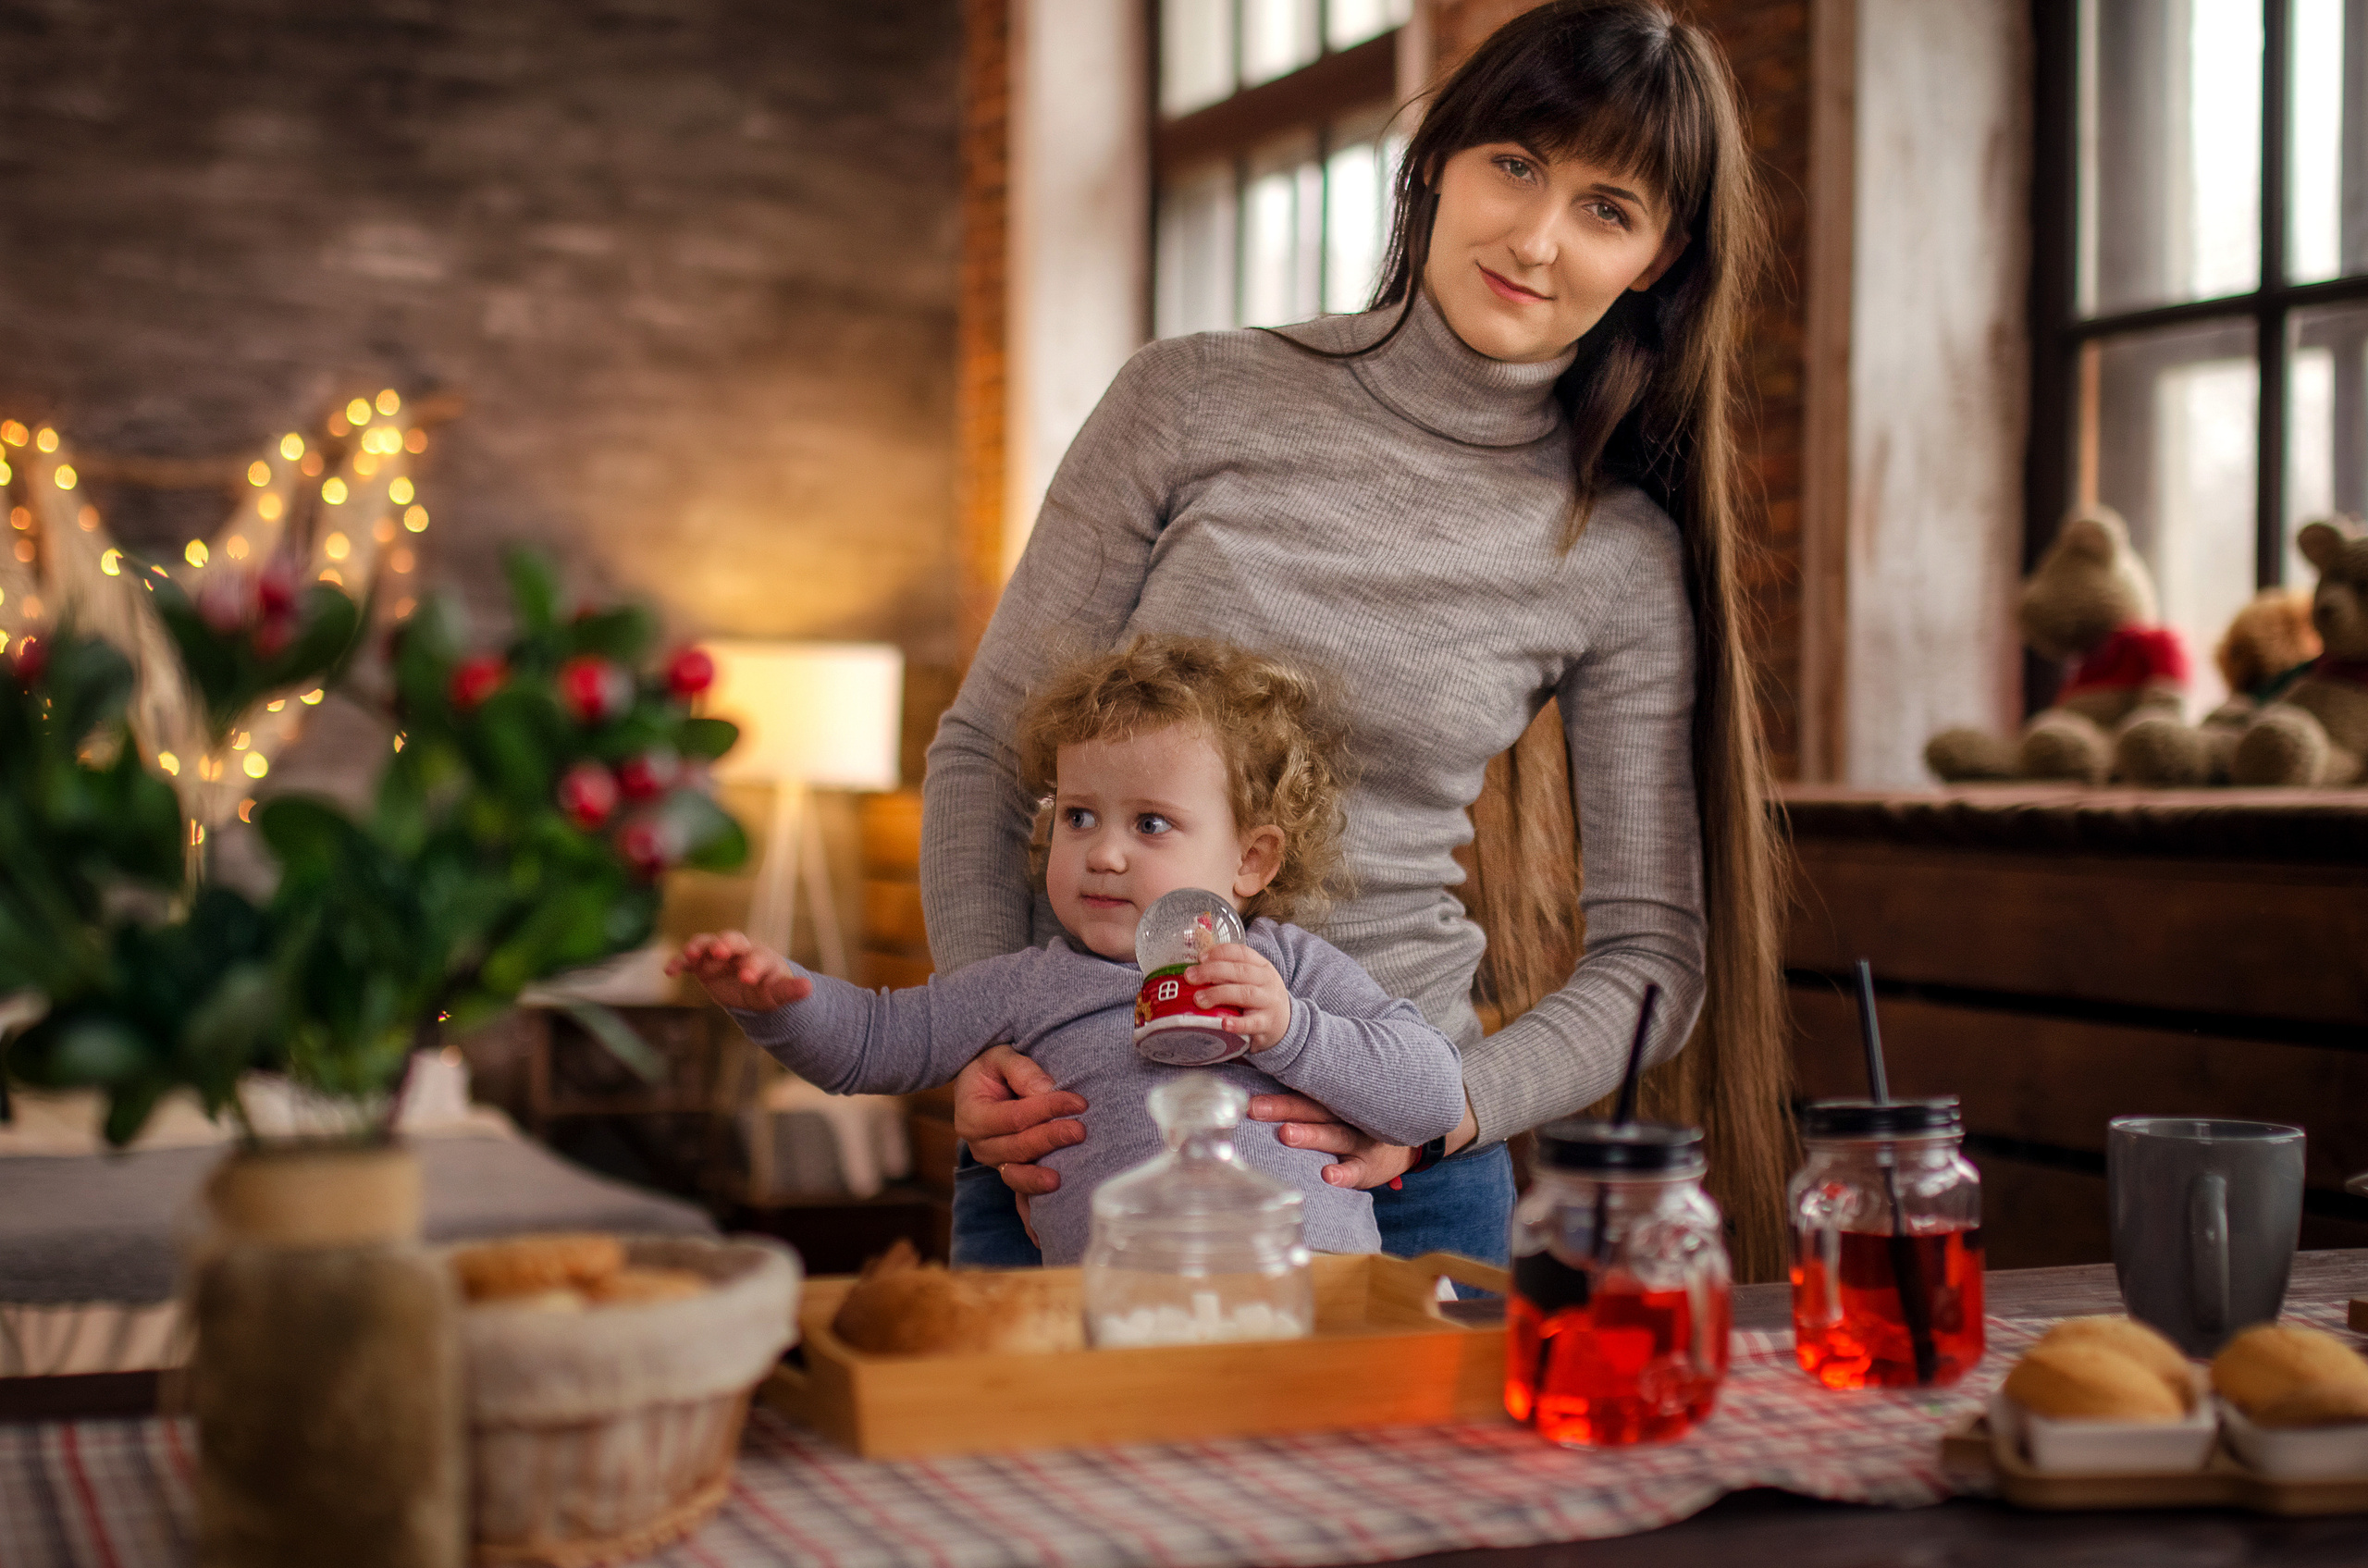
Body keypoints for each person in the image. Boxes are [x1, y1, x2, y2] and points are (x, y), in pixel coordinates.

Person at [925, 0, 1790, 1278]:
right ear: (1436, 159)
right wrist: (991, 1029)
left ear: (1656, 262)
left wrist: (1454, 1103)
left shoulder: (1619, 553)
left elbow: (1654, 960)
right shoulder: (1193, 394)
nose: (1538, 238)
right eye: (1517, 165)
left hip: (1398, 1176)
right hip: (1083, 1118)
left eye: (1609, 209)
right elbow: (989, 747)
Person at [670, 636, 1468, 1264]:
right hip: (1120, 1317)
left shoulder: (1288, 969)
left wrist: (1293, 1028)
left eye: (1150, 824)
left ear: (1251, 860)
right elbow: (877, 1042)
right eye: (1080, 816)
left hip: (1316, 1303)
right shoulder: (1033, 984)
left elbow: (1431, 1092)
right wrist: (777, 1000)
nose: (1103, 853)